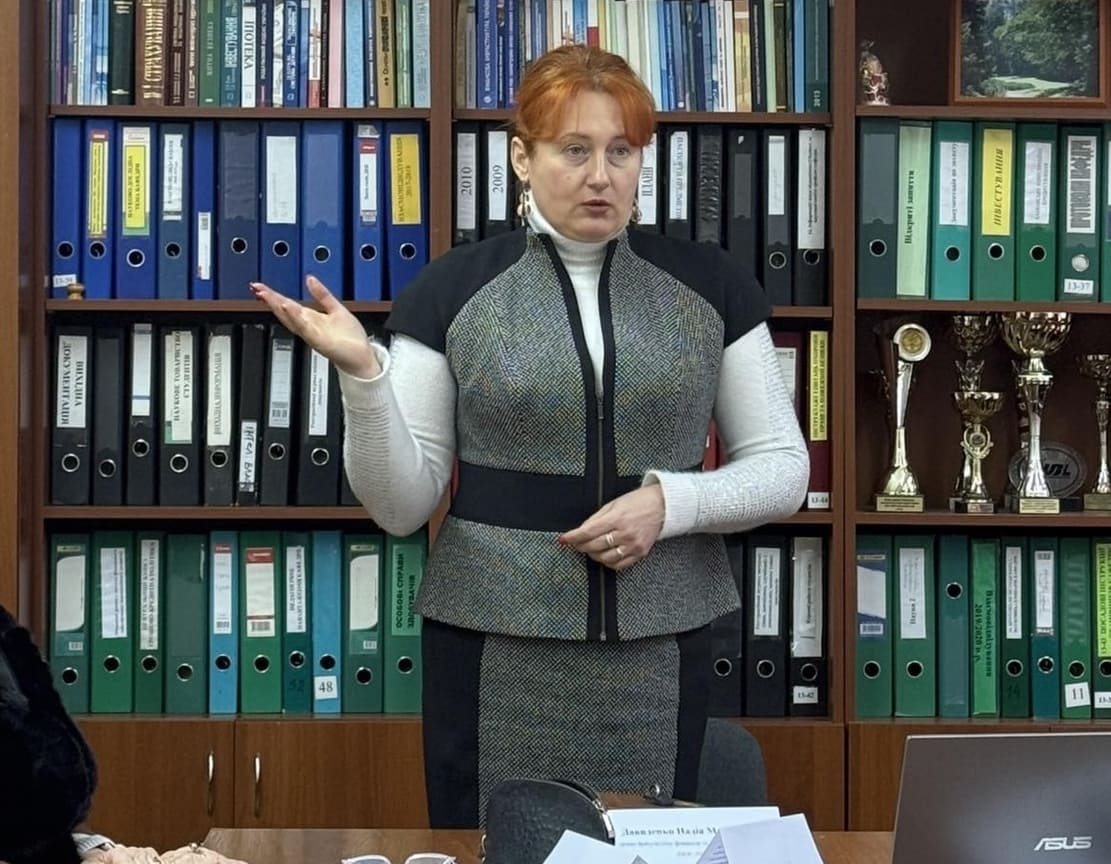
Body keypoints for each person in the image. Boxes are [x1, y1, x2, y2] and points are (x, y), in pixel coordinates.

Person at [251, 44, 808, 828]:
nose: (600, 176)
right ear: (521, 157)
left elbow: (782, 467)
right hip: (491, 645)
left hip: (660, 643)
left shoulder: (710, 287)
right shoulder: (452, 289)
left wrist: (669, 504)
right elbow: (400, 505)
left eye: (621, 152)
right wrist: (363, 375)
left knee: (648, 846)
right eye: (574, 150)